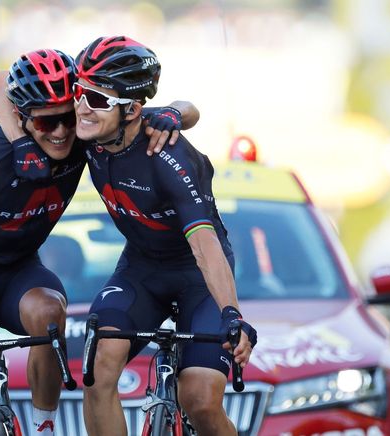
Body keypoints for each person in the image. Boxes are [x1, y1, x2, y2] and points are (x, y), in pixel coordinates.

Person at [0, 48, 198, 436]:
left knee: (47, 311)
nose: (59, 132)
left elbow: (184, 111)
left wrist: (175, 114)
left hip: (18, 273)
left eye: (66, 118)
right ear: (22, 118)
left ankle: (44, 427)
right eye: (44, 122)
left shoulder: (86, 138)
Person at [72, 36, 258, 436]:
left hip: (197, 275)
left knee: (200, 398)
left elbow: (205, 245)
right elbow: (2, 84)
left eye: (97, 99)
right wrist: (176, 109)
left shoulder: (168, 158)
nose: (82, 107)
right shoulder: (86, 132)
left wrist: (232, 315)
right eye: (78, 91)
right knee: (97, 369)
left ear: (132, 110)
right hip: (142, 270)